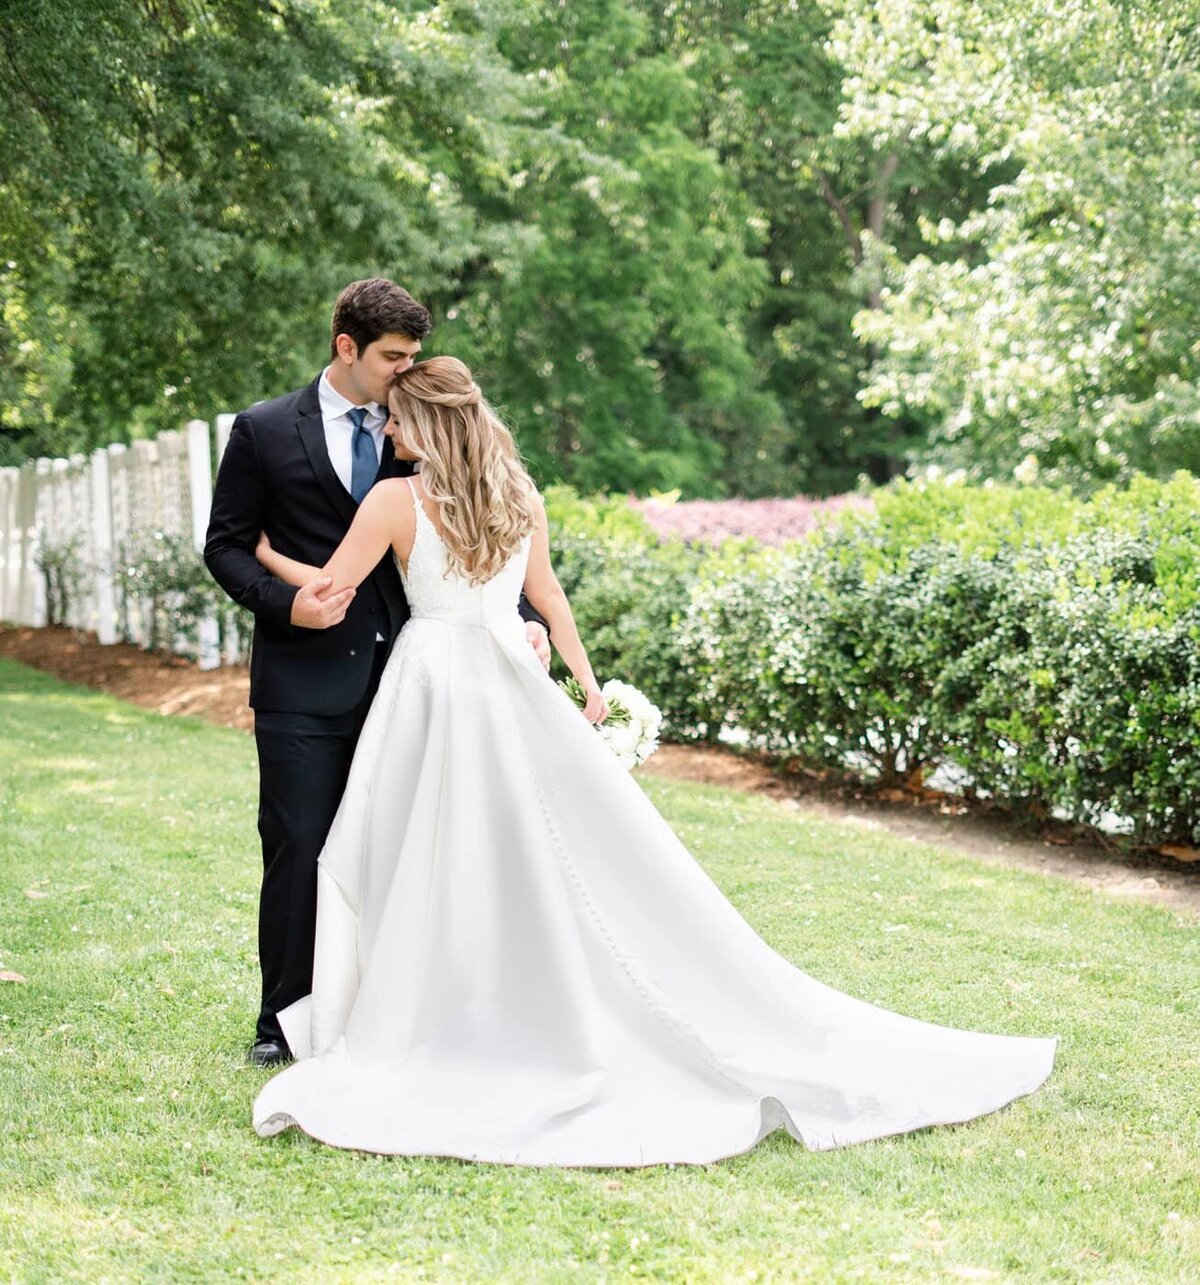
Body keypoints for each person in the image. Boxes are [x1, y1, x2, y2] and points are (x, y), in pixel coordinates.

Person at [248, 354, 1056, 1166]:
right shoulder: (519, 495)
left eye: (395, 417)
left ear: (423, 423)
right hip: (504, 678)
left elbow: (332, 593)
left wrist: (270, 556)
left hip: (431, 682)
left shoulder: (393, 498)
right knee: (518, 847)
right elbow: (550, 596)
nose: (386, 428)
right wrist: (585, 685)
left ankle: (437, 1003)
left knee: (419, 845)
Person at [203, 281, 550, 1068]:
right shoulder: (262, 430)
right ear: (346, 347)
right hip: (304, 679)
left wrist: (524, 627)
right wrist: (290, 606)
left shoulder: (427, 436)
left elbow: (480, 550)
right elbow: (226, 543)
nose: (405, 372)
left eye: (415, 357)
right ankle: (283, 1020)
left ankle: (399, 1010)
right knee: (299, 842)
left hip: (425, 683)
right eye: (393, 357)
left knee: (411, 847)